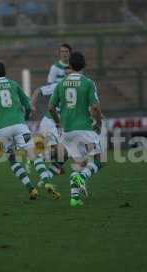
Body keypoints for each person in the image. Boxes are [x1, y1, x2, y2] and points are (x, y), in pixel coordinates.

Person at [0, 62, 61, 201]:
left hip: (2, 129)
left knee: (12, 159)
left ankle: (30, 188)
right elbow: (28, 105)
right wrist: (25, 118)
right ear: (5, 72)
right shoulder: (14, 84)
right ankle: (47, 182)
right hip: (20, 125)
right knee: (33, 155)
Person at [49, 52, 104, 207]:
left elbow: (51, 108)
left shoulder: (61, 84)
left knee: (78, 163)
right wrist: (98, 124)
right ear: (83, 66)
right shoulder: (87, 83)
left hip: (67, 130)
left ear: (70, 66)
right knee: (100, 160)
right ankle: (84, 177)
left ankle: (74, 199)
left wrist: (58, 124)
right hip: (84, 128)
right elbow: (94, 107)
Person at [30, 43, 72, 175]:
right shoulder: (57, 84)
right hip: (50, 122)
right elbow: (40, 89)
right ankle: (40, 161)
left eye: (66, 51)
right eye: (62, 51)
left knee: (63, 152)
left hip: (59, 123)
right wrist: (32, 105)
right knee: (61, 151)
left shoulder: (75, 87)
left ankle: (48, 163)